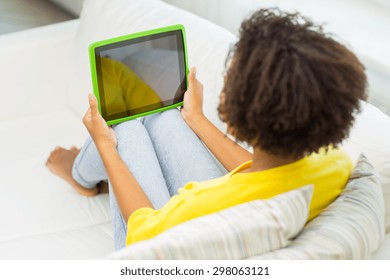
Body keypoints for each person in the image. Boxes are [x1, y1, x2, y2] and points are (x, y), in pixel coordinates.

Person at [46, 9, 367, 249]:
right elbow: (262, 171)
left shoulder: (201, 205)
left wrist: (105, 146)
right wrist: (197, 118)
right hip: (240, 201)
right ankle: (95, 171)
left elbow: (143, 231)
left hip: (156, 244)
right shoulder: (335, 164)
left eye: (231, 78)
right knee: (166, 116)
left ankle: (80, 175)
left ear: (237, 117)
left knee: (125, 129)